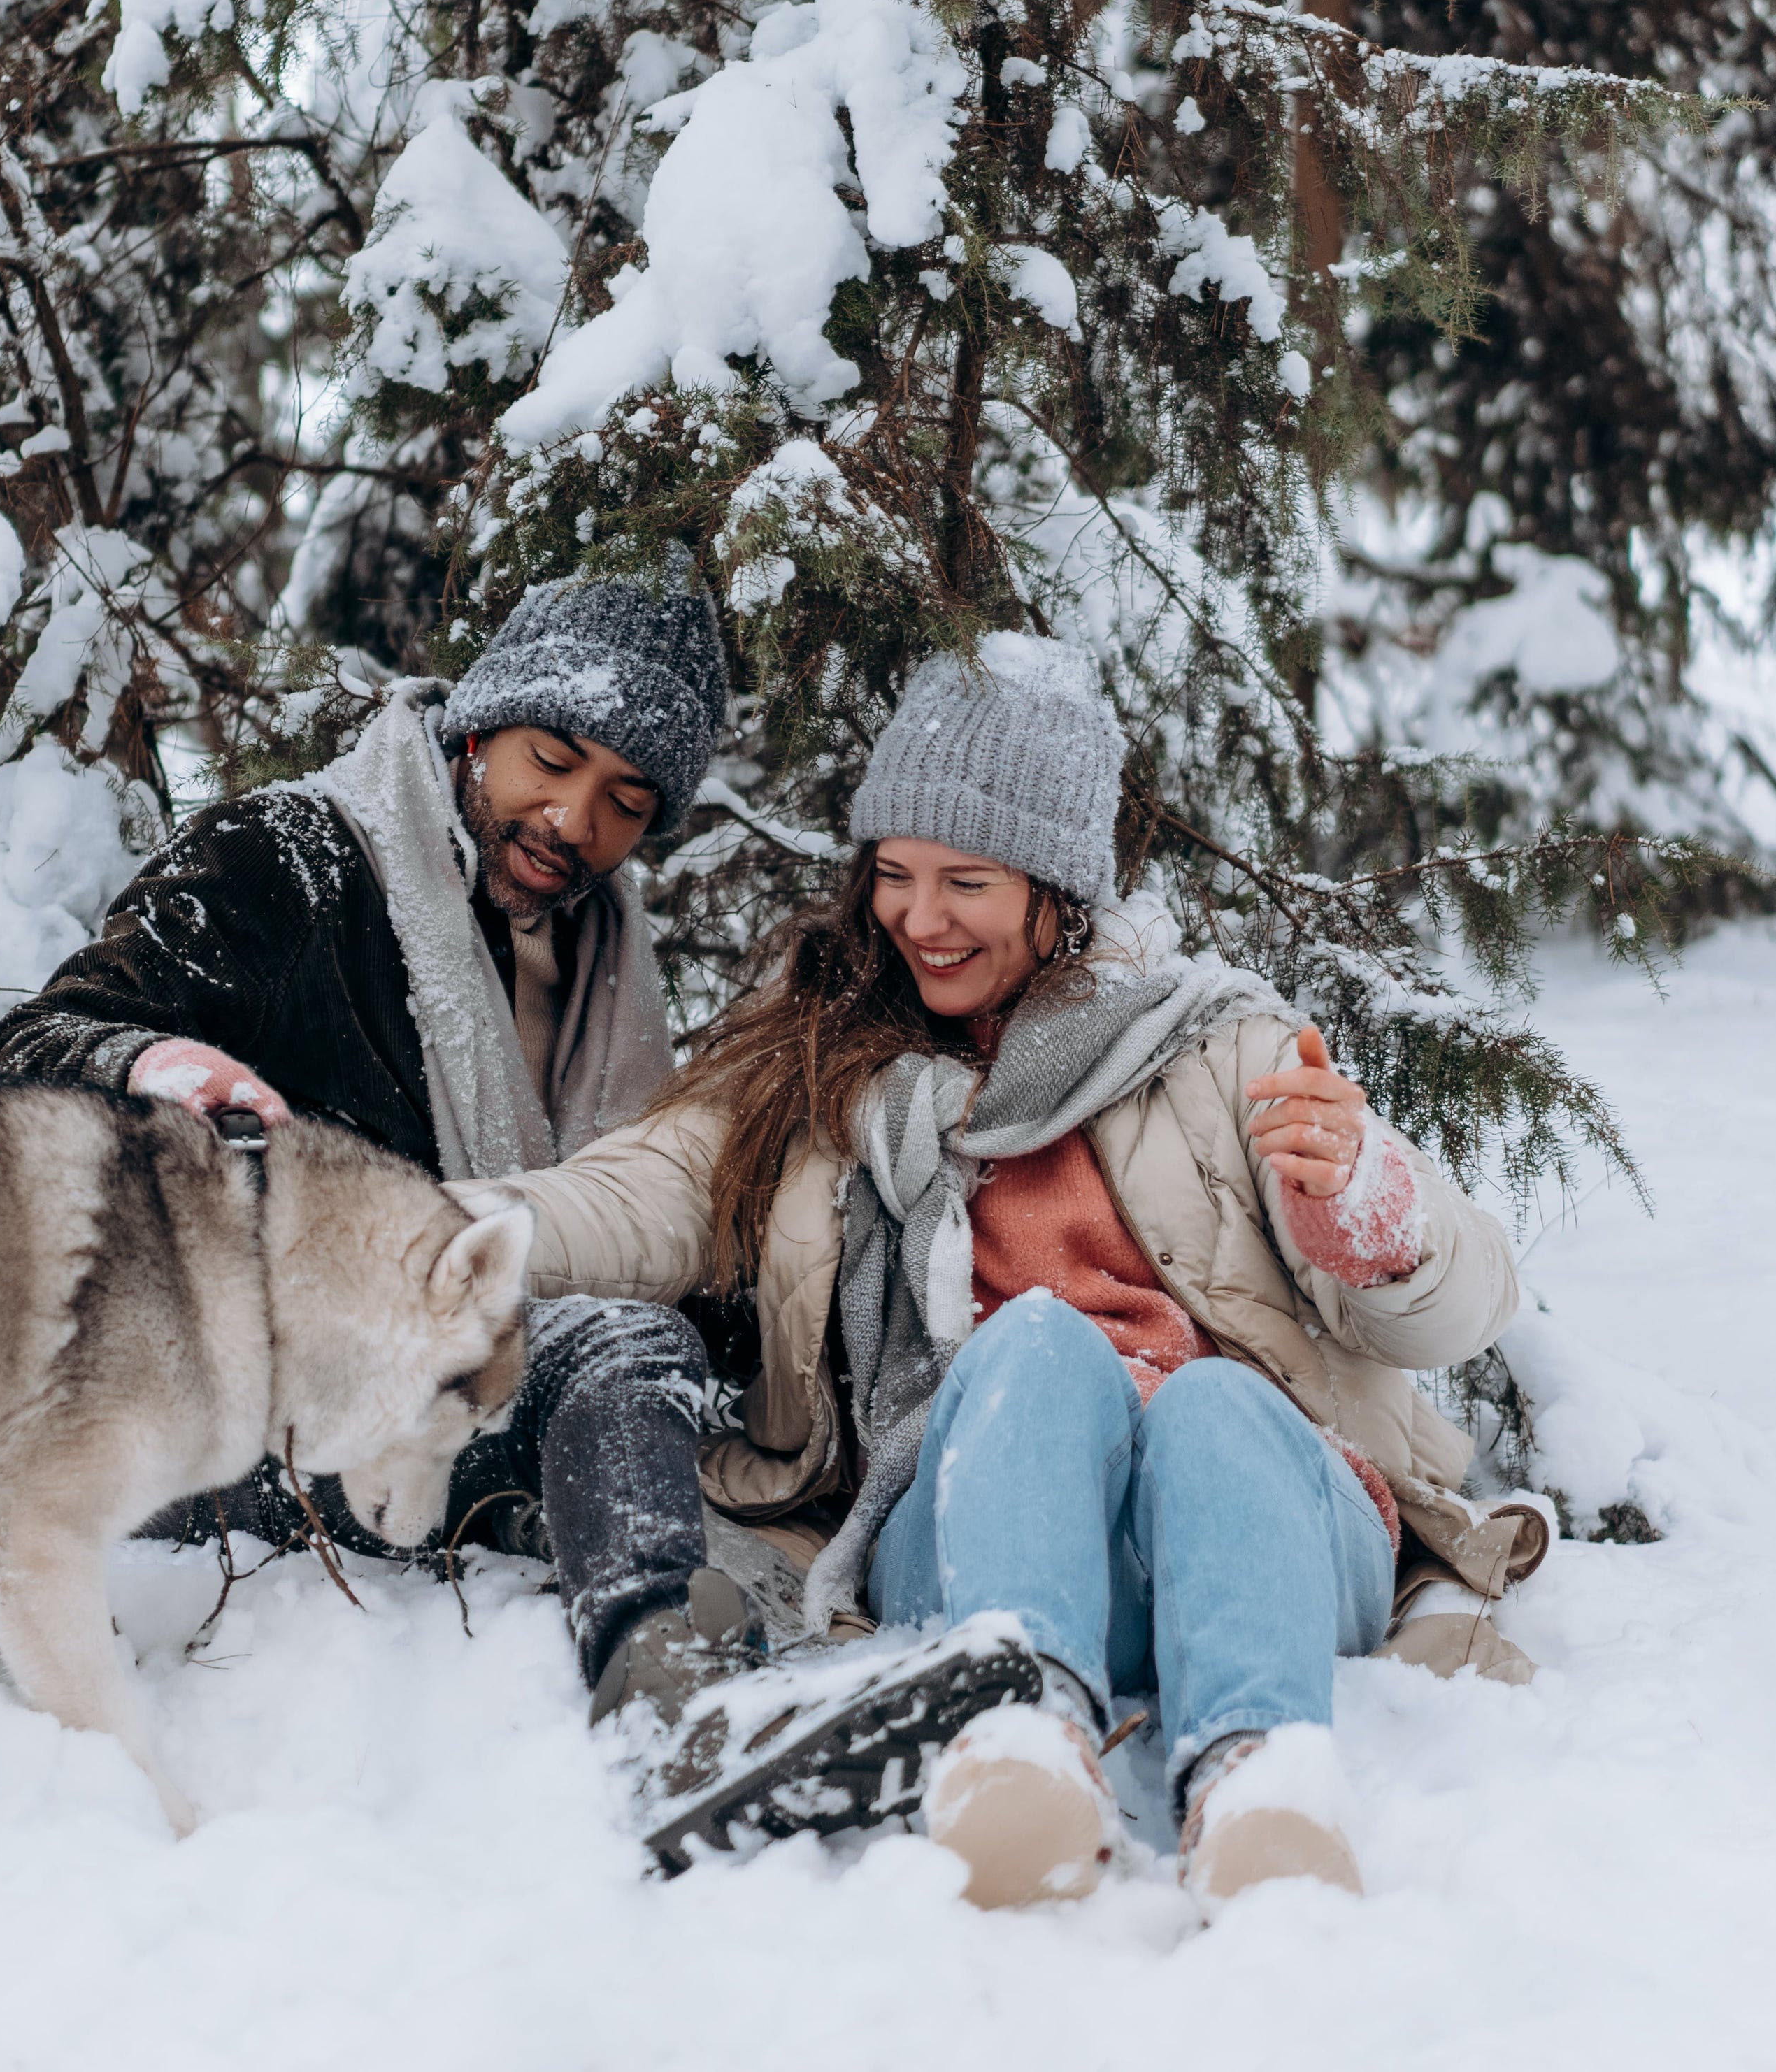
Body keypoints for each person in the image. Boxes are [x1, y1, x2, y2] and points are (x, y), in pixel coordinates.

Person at [460, 637, 1549, 1907]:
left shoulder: (1221, 1049)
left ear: (1057, 887)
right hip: (987, 1522)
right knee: (1032, 1345)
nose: (919, 919)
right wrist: (436, 1231)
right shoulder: (824, 1074)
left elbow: (1471, 1296)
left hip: (1258, 1536)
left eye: (966, 881)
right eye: (895, 875)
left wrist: (1367, 1205)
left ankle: (1263, 1781)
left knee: (1215, 1400)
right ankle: (1023, 1741)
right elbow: (643, 1189)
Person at [0, 569, 769, 1749]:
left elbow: (627, 1215)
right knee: (609, 1341)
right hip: (233, 1413)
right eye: (553, 761)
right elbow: (32, 1051)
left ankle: (633, 1626)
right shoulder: (289, 856)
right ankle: (662, 1668)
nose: (572, 821)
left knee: (647, 1341)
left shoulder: (607, 963)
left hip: (442, 1405)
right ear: (480, 725)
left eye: (625, 799)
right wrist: (155, 1066)